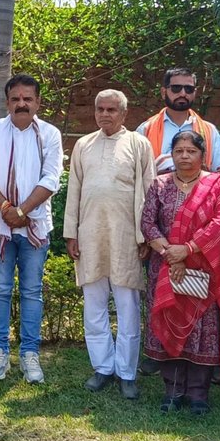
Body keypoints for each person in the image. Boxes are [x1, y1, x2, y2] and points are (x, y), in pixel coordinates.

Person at [63, 89, 154, 399]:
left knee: (128, 306)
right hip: (90, 235)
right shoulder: (83, 145)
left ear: (124, 114)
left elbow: (148, 191)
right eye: (100, 109)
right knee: (94, 305)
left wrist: (146, 235)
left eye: (111, 110)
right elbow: (74, 190)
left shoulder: (139, 144)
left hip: (127, 236)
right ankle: (102, 367)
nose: (104, 114)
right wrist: (71, 233)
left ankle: (127, 373)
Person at [0, 74, 64, 383]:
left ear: (38, 102)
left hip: (34, 227)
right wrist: (6, 209)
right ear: (7, 102)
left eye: (28, 99)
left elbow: (51, 178)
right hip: (0, 227)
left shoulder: (50, 134)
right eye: (16, 99)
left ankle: (29, 354)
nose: (22, 104)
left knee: (32, 291)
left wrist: (22, 211)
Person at [140, 131, 220, 416]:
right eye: (179, 150)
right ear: (172, 154)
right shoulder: (159, 185)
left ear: (202, 155)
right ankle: (173, 390)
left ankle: (198, 394)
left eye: (191, 151)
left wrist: (189, 249)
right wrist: (172, 253)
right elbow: (148, 223)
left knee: (201, 329)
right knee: (169, 322)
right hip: (166, 266)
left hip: (203, 266)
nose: (184, 156)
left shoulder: (217, 185)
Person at [136, 67, 220, 173]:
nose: (183, 93)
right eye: (176, 88)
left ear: (194, 93)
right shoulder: (146, 129)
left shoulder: (209, 130)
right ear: (164, 92)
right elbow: (134, 170)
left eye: (189, 89)